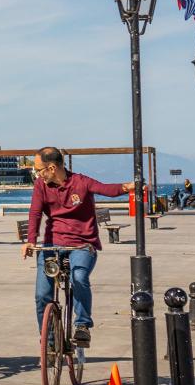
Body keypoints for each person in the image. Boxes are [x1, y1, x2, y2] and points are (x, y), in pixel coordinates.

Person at [24, 146, 133, 346]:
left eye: (39, 169)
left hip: (82, 244)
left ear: (52, 168)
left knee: (79, 277)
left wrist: (129, 187)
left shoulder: (81, 182)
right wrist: (31, 240)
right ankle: (48, 343)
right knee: (42, 295)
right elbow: (35, 213)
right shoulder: (41, 185)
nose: (37, 174)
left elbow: (106, 189)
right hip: (52, 244)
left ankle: (82, 325)